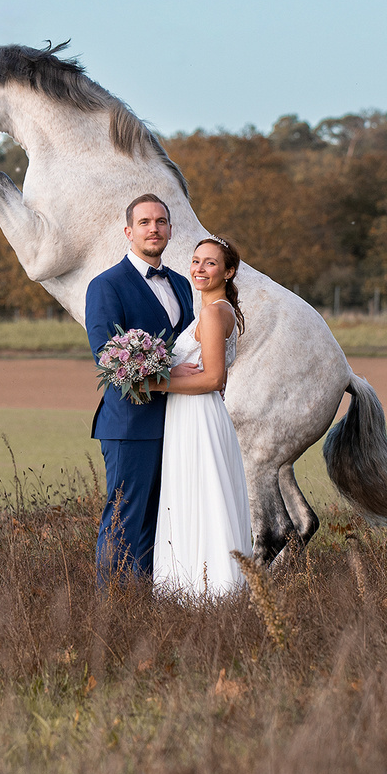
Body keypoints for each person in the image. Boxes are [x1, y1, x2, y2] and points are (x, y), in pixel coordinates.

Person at [85, 195, 194, 581]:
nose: (154, 228)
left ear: (169, 229)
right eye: (145, 222)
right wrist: (180, 380)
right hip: (130, 425)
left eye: (161, 221)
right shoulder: (106, 285)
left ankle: (145, 606)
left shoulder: (182, 284)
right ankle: (111, 605)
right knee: (124, 517)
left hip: (179, 421)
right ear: (129, 231)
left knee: (161, 520)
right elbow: (106, 356)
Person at [152, 236, 252, 597]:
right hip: (190, 413)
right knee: (191, 493)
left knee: (202, 494)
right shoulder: (211, 310)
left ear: (229, 271)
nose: (199, 269)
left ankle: (212, 590)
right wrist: (174, 374)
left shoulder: (213, 313)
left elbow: (213, 378)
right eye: (196, 261)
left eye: (210, 263)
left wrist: (155, 384)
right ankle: (192, 585)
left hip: (198, 415)